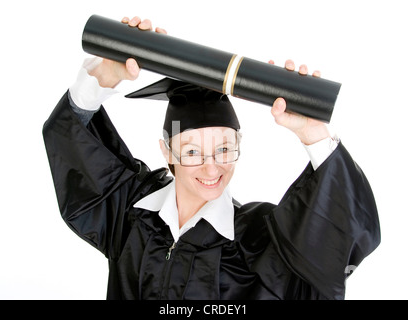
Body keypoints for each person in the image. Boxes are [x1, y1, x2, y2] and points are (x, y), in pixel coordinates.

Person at [43, 16, 380, 300]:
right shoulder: (131, 213)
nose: (211, 166)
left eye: (224, 148)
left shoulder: (258, 239)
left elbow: (332, 254)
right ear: (167, 151)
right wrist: (102, 76)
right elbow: (73, 146)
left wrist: (314, 134)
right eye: (191, 151)